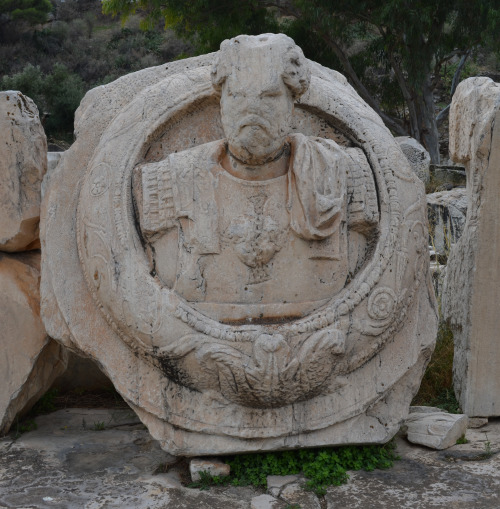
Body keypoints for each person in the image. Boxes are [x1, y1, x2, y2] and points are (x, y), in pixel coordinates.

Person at [133, 34, 376, 323]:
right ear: (220, 101)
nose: (252, 109)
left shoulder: (342, 175)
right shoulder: (168, 181)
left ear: (293, 103)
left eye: (270, 96)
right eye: (237, 95)